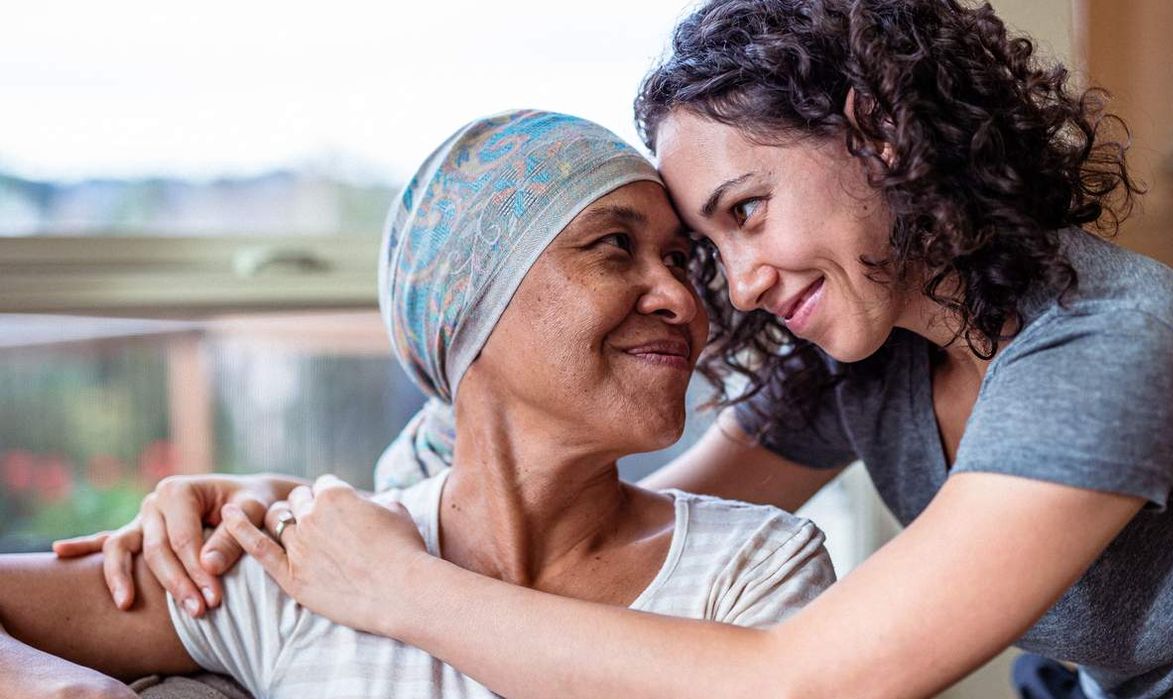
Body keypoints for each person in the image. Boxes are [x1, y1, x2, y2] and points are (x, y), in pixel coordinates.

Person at [59, 0, 1173, 697]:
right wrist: (288, 514)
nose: (729, 286)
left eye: (742, 214)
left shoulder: (1112, 345)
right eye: (705, 247)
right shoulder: (871, 359)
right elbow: (594, 528)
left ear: (877, 132)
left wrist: (397, 587)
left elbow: (806, 683)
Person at [0, 110, 836, 698]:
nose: (683, 300)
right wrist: (44, 682)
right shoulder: (301, 562)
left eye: (682, 260)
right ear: (471, 299)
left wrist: (399, 583)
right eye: (615, 246)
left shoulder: (755, 568)